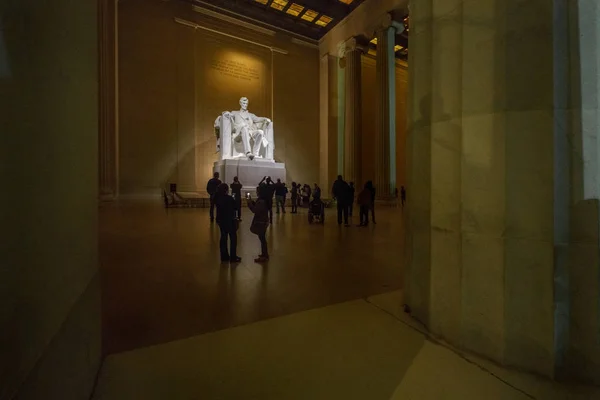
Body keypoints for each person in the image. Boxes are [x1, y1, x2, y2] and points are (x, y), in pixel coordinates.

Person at [215, 183, 240, 263]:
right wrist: (233, 198)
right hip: (229, 220)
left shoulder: (217, 198)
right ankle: (233, 257)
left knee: (223, 237)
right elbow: (236, 207)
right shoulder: (229, 198)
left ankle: (224, 256)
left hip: (221, 220)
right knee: (233, 238)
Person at [248, 186, 270, 262]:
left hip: (261, 222)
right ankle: (264, 254)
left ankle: (264, 255)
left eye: (257, 191)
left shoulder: (261, 201)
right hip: (263, 221)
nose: (257, 192)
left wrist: (249, 203)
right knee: (262, 238)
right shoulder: (263, 200)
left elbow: (255, 210)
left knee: (262, 238)